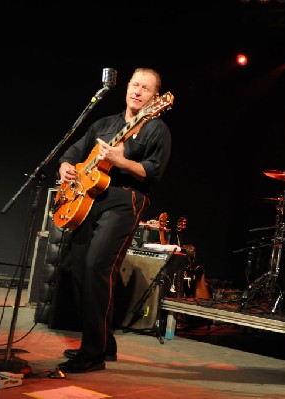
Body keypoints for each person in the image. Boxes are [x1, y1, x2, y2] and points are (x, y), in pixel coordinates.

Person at [56, 67, 172, 373]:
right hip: (89, 200)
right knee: (80, 269)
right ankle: (104, 343)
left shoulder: (155, 128)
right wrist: (66, 167)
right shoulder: (104, 123)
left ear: (155, 98)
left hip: (125, 199)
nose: (137, 91)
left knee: (97, 266)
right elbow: (73, 151)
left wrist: (123, 161)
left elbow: (154, 171)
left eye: (145, 89)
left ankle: (92, 353)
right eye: (134, 85)